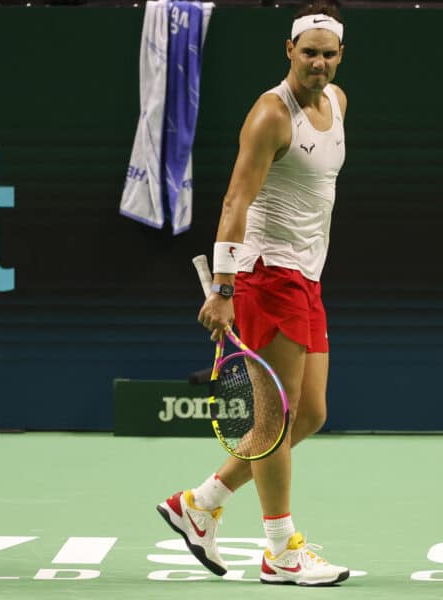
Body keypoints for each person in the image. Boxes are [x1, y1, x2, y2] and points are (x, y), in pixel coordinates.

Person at [156, 0, 350, 587]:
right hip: (266, 275)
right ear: (288, 50)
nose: (317, 63)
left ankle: (201, 502)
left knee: (308, 414)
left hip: (307, 277)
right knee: (275, 416)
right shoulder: (272, 114)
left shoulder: (338, 105)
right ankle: (280, 551)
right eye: (307, 52)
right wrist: (223, 287)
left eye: (327, 53)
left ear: (341, 56)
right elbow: (235, 202)